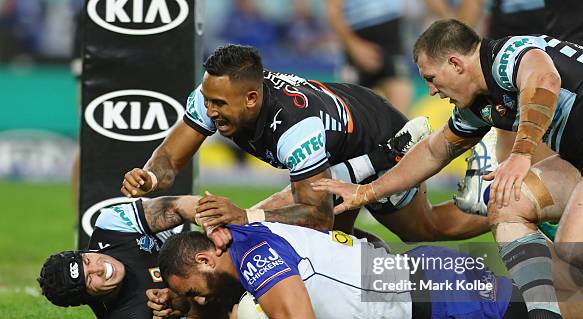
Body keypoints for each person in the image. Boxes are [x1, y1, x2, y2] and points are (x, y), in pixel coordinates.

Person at [311, 19, 583, 319]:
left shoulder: (506, 55)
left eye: (431, 78)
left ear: (455, 63)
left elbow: (545, 78)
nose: (432, 91)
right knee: (507, 202)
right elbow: (433, 150)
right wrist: (366, 192)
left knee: (575, 241)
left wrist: (521, 153)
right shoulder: (480, 101)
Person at [120, 44, 489, 247]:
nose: (210, 112)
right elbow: (170, 156)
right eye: (208, 101)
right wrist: (150, 178)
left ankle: (507, 209)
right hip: (340, 143)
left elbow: (316, 215)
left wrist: (245, 215)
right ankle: (372, 262)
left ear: (251, 99)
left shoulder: (296, 130)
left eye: (219, 105)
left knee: (421, 229)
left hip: (380, 140)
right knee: (330, 242)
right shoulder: (212, 95)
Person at [156, 221, 583, 319]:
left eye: (193, 287)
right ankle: (538, 236)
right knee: (549, 306)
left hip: (431, 297)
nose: (200, 298)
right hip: (414, 283)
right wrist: (185, 312)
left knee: (580, 315)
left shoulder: (254, 256)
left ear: (204, 257)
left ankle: (540, 234)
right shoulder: (246, 245)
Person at [37, 195, 242, 319]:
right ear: (87, 298)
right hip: (235, 298)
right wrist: (185, 305)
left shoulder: (111, 225)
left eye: (87, 260)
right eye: (90, 278)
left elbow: (178, 206)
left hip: (224, 248)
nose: (99, 268)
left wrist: (214, 227)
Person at [325, 0, 412, 113]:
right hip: (359, 37)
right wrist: (354, 46)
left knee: (401, 109)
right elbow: (333, 10)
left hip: (392, 37)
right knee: (355, 113)